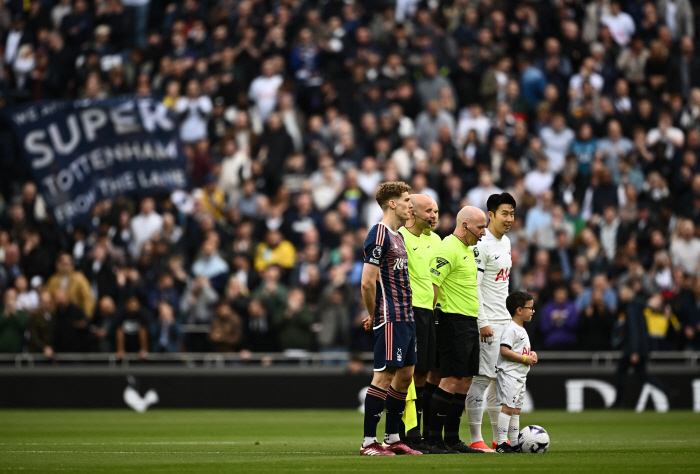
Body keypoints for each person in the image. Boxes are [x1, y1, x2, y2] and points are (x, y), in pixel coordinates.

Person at [359, 181, 422, 456]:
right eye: (407, 200)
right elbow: (366, 282)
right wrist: (374, 314)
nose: (412, 205)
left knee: (405, 376)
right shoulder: (379, 234)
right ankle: (369, 443)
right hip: (391, 317)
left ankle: (393, 438)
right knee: (383, 377)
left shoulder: (399, 236)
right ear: (392, 203)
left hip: (406, 317)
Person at [426, 206, 487, 454]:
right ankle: (433, 440)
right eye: (480, 227)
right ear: (464, 226)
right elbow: (433, 285)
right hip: (452, 320)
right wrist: (433, 319)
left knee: (466, 379)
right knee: (450, 378)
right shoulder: (449, 248)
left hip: (468, 321)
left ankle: (451, 439)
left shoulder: (466, 250)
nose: (483, 233)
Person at [466, 192, 516, 452]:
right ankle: (476, 438)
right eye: (504, 214)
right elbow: (474, 287)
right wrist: (482, 321)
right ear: (491, 215)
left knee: (499, 382)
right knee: (482, 379)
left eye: (512, 213)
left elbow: (502, 287)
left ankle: (500, 439)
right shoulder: (482, 244)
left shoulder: (506, 243)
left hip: (504, 320)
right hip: (486, 322)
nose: (509, 219)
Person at [398, 194, 440, 451]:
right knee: (407, 374)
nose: (434, 215)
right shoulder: (399, 238)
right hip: (408, 312)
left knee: (424, 371)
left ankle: (418, 432)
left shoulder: (436, 240)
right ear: (412, 212)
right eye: (429, 211)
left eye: (436, 211)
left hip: (429, 312)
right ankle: (403, 432)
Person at [494, 291, 538, 453]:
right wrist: (525, 359)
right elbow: (505, 350)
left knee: (516, 410)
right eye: (530, 308)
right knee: (507, 408)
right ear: (519, 310)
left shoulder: (521, 329)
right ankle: (500, 443)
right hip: (510, 375)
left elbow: (522, 351)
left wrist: (531, 355)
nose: (533, 311)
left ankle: (513, 443)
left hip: (520, 376)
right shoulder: (511, 329)